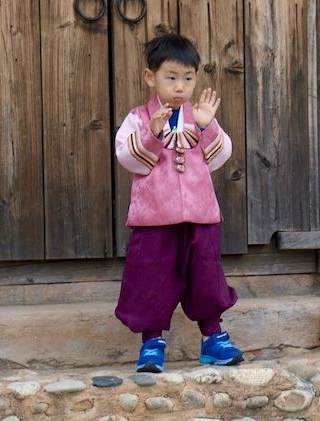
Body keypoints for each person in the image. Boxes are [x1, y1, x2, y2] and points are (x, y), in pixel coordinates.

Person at [114, 33, 244, 373]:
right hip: (154, 218)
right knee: (151, 279)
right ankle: (152, 343)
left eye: (188, 79)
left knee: (206, 274)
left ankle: (213, 338)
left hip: (201, 215)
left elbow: (218, 157)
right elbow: (129, 158)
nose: (179, 87)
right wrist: (152, 136)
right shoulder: (138, 119)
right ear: (150, 77)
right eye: (171, 78)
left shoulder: (200, 116)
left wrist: (206, 128)